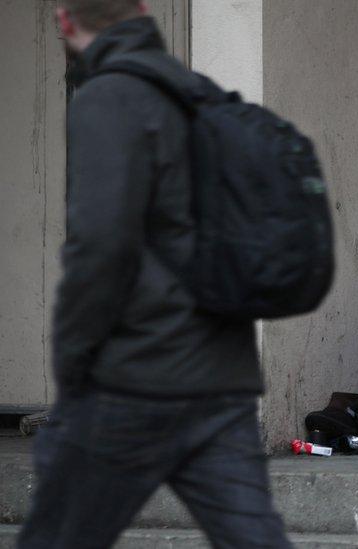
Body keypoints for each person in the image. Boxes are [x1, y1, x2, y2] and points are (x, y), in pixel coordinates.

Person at [18, 1, 291, 547]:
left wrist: (73, 365)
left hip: (134, 379)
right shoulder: (199, 93)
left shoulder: (107, 98)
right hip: (222, 377)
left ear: (64, 21)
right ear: (143, 10)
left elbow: (99, 247)